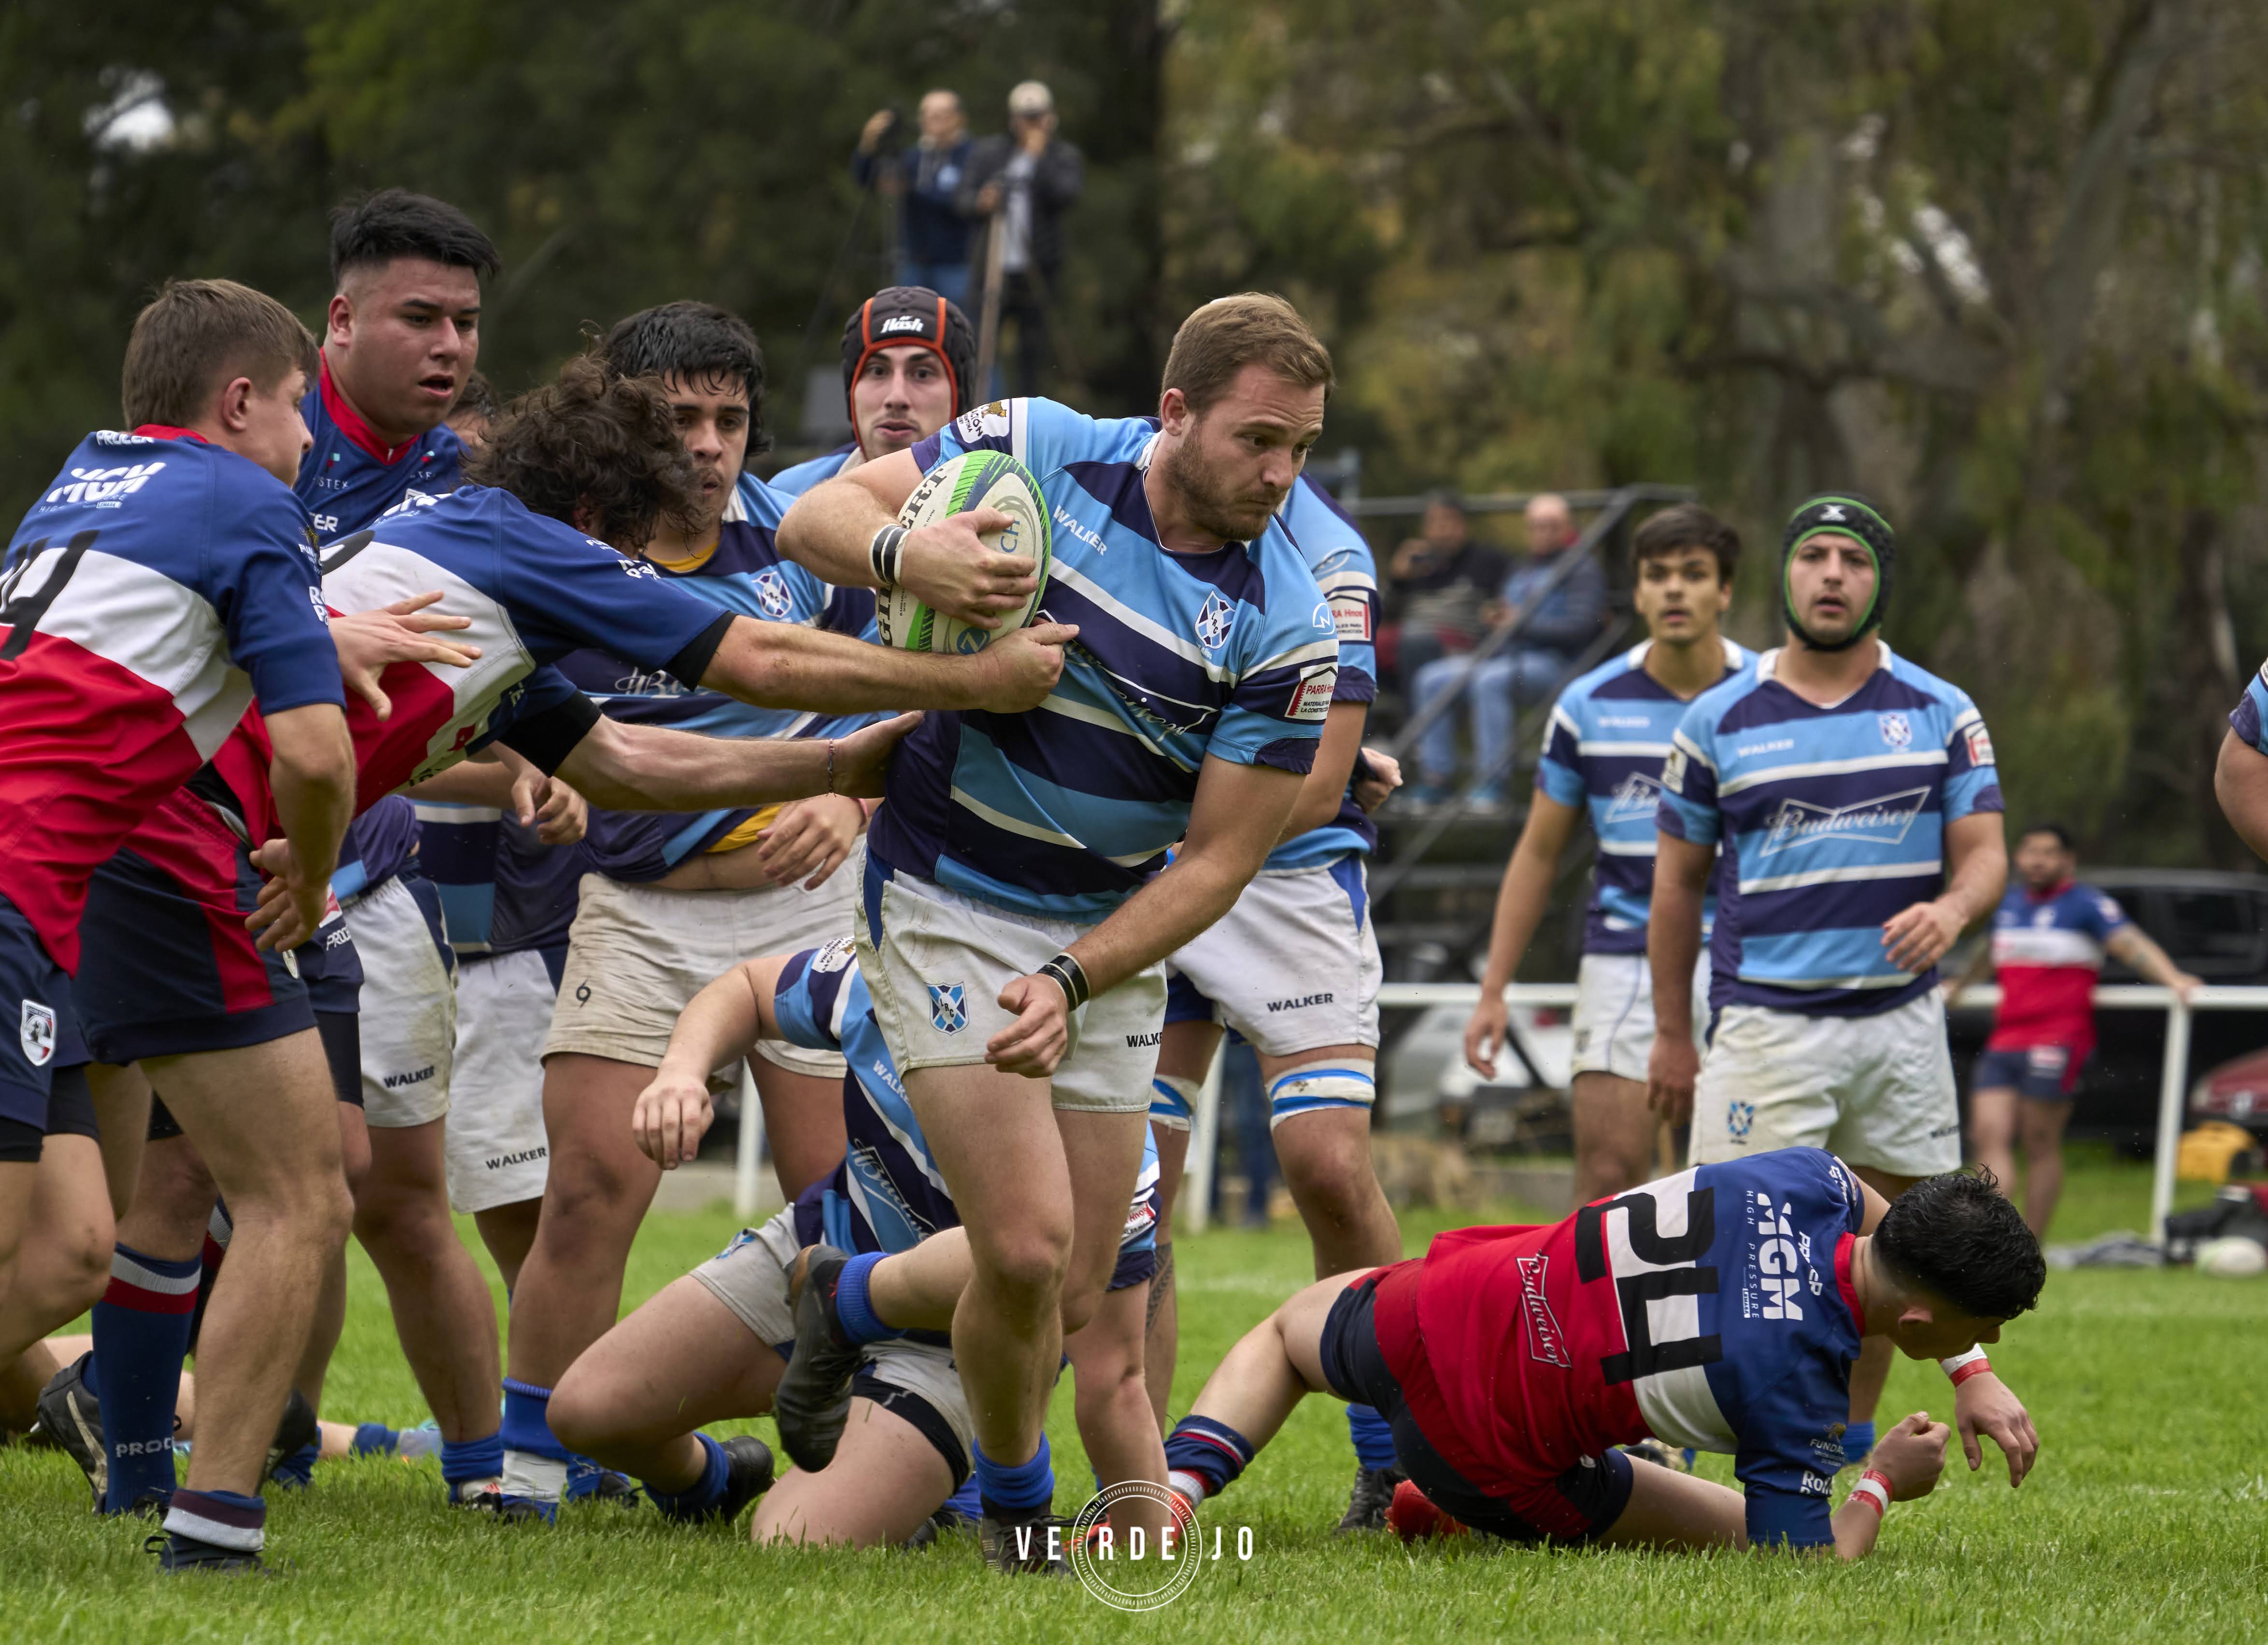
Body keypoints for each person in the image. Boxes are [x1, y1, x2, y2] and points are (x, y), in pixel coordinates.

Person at [774, 292, 1340, 1572]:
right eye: (1258, 440)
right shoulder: (1034, 447)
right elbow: (811, 519)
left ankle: (843, 1294)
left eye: (1301, 448)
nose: (1280, 475)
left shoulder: (1289, 625)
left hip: (1105, 939)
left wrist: (1076, 974)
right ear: (1174, 411)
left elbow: (1220, 860)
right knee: (1025, 1247)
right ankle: (1018, 1513)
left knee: (1078, 1287)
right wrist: (907, 557)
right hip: (946, 896)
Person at [493, 303, 892, 1520]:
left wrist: (854, 804)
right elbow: (488, 700)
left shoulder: (804, 539)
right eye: (680, 419)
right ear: (625, 422)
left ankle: (890, 1453)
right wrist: (531, 764)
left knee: (849, 1200)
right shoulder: (566, 548)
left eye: (730, 418)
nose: (709, 445)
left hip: (805, 906)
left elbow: (916, 701)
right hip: (638, 911)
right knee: (585, 1191)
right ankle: (532, 1472)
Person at [1, 278, 358, 1571]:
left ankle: (196, 1520)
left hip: (50, 904)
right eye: (301, 406)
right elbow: (315, 754)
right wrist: (310, 873)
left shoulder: (79, 483)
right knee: (295, 1191)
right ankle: (213, 1533)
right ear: (239, 400)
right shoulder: (246, 500)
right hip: (13, 889)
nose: (311, 437)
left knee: (67, 1249)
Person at [547, 940, 1167, 1550]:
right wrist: (682, 1072)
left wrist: (1148, 1536)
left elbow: (1114, 1368)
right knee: (585, 1413)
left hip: (948, 1351)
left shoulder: (1110, 1140)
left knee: (794, 1538)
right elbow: (747, 988)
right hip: (819, 1244)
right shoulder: (899, 970)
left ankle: (857, 1325)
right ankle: (714, 1480)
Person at [1161, 1152, 2041, 1557]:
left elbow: (1878, 1211)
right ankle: (1451, 1506)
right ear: (1915, 1320)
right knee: (1750, 1529)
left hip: (1438, 1307)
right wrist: (1880, 1478)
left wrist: (1970, 1367)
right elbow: (1810, 1567)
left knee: (1286, 1332)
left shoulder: (1810, 1177)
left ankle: (1173, 1489)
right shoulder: (1799, 1390)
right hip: (1482, 1455)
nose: (1993, 1341)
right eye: (1985, 1328)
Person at [1649, 492, 2008, 1476]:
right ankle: (1684, 1448)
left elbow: (1985, 854)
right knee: (1729, 1245)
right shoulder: (1718, 718)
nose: (1832, 575)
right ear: (1785, 574)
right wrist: (1672, 1033)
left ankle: (1838, 1456)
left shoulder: (1940, 710)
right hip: (1767, 1027)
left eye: (1853, 558)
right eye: (1813, 555)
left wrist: (1951, 910)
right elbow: (1674, 888)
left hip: (1900, 1028)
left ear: (1879, 580)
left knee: (1898, 1252)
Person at [1144, 469, 1407, 1532]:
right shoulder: (1117, 505)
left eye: (1289, 436)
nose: (1271, 461)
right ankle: (1134, 1476)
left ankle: (1395, 1460)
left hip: (1284, 878)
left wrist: (1159, 811)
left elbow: (1320, 778)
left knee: (1328, 1169)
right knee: (1132, 1194)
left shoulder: (1332, 557)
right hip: (1146, 868)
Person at [1465, 505, 1750, 1208]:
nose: (1675, 589)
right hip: (1624, 953)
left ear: (1725, 590)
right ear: (1639, 592)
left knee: (1747, 1184)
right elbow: (1539, 851)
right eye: (1658, 575)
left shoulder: (1770, 695)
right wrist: (1494, 988)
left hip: (1751, 958)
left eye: (1694, 574)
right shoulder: (1587, 704)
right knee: (1606, 1175)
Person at [1944, 823, 2199, 1235]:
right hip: (2006, 1038)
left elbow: (2130, 944)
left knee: (2039, 1141)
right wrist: (1958, 985)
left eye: (2048, 853)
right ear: (2018, 857)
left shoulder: (2086, 905)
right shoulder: (2010, 904)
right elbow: (1986, 954)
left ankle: (2030, 1245)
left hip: (2058, 1039)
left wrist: (2174, 979)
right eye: (2030, 851)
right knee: (1987, 1135)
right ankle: (1991, 1243)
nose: (2038, 861)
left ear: (2068, 860)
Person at [1409, 493, 1605, 808]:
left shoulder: (1582, 569)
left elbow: (1579, 629)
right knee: (1432, 678)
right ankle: (1436, 779)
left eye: (1552, 526)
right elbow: (1507, 618)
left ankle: (1492, 785)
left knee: (1490, 680)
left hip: (1556, 663)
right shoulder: (1522, 568)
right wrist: (1494, 618)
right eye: (1536, 526)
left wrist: (1520, 623)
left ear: (1568, 527)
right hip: (1505, 657)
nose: (1543, 533)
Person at [768, 286, 977, 497]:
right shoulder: (789, 495)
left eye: (922, 374)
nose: (896, 398)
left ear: (959, 398)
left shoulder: (996, 500)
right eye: (878, 371)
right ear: (851, 393)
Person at [959, 81, 1084, 396]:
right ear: (1012, 118)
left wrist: (1037, 158)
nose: (1030, 124)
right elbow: (962, 199)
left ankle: (1029, 412)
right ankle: (979, 409)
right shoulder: (989, 152)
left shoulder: (1062, 155)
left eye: (1037, 116)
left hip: (1038, 266)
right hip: (992, 266)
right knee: (981, 347)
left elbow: (1066, 195)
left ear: (1050, 118)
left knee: (1033, 350)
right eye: (1025, 117)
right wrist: (982, 201)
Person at [854, 91, 977, 309]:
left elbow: (960, 202)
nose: (934, 120)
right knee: (909, 318)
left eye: (941, 114)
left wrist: (914, 189)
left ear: (959, 118)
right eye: (928, 114)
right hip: (914, 262)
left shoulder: (973, 155)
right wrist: (868, 145)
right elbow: (871, 179)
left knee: (956, 321)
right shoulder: (914, 158)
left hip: (957, 262)